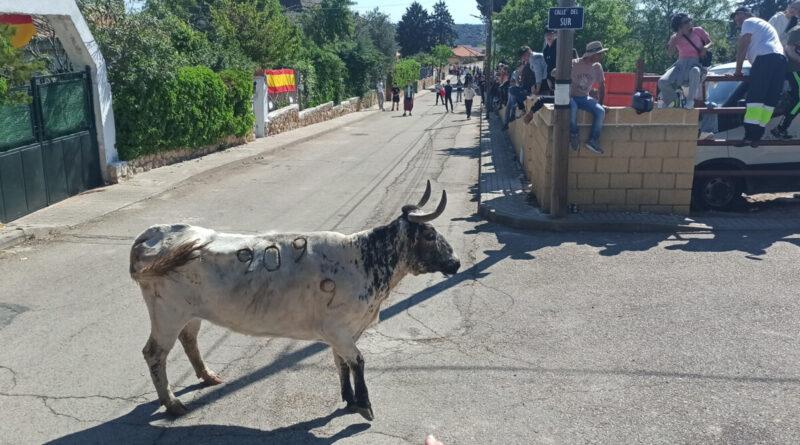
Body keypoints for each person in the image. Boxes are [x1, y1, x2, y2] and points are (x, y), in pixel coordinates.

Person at [732, 7, 787, 146]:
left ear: (746, 14)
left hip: (765, 59)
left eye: (737, 14)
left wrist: (737, 71)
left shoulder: (748, 22)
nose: (735, 19)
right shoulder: (763, 25)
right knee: (770, 99)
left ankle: (750, 136)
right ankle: (758, 135)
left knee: (755, 99)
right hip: (780, 60)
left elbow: (743, 46)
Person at [658, 13, 713, 109]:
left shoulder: (698, 30)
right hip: (680, 64)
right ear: (679, 26)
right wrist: (677, 37)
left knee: (695, 71)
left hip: (696, 63)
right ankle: (676, 102)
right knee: (662, 81)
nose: (690, 22)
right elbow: (670, 53)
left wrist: (705, 47)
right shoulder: (675, 37)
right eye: (686, 22)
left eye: (690, 20)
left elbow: (711, 42)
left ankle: (690, 101)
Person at [569, 41, 608, 155]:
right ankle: (574, 134)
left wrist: (600, 103)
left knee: (600, 111)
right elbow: (557, 73)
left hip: (584, 97)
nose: (601, 56)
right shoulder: (574, 63)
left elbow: (602, 86)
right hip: (571, 96)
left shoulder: (597, 67)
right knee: (573, 108)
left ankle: (592, 140)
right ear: (592, 54)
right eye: (599, 54)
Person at [504, 46, 547, 130]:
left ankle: (521, 109)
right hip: (540, 83)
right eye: (522, 57)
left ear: (529, 52)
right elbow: (533, 77)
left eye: (524, 56)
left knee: (512, 91)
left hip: (544, 84)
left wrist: (537, 89)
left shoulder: (534, 58)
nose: (523, 58)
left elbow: (538, 74)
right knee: (512, 91)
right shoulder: (531, 60)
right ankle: (521, 109)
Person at [773, 23, 800, 139]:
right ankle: (781, 128)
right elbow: (789, 49)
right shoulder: (797, 30)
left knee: (796, 98)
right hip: (794, 69)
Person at [542, 28, 557, 95]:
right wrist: (548, 78)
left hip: (561, 78)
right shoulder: (545, 51)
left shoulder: (559, 46)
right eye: (547, 35)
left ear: (555, 35)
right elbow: (548, 66)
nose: (549, 36)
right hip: (551, 80)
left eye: (551, 34)